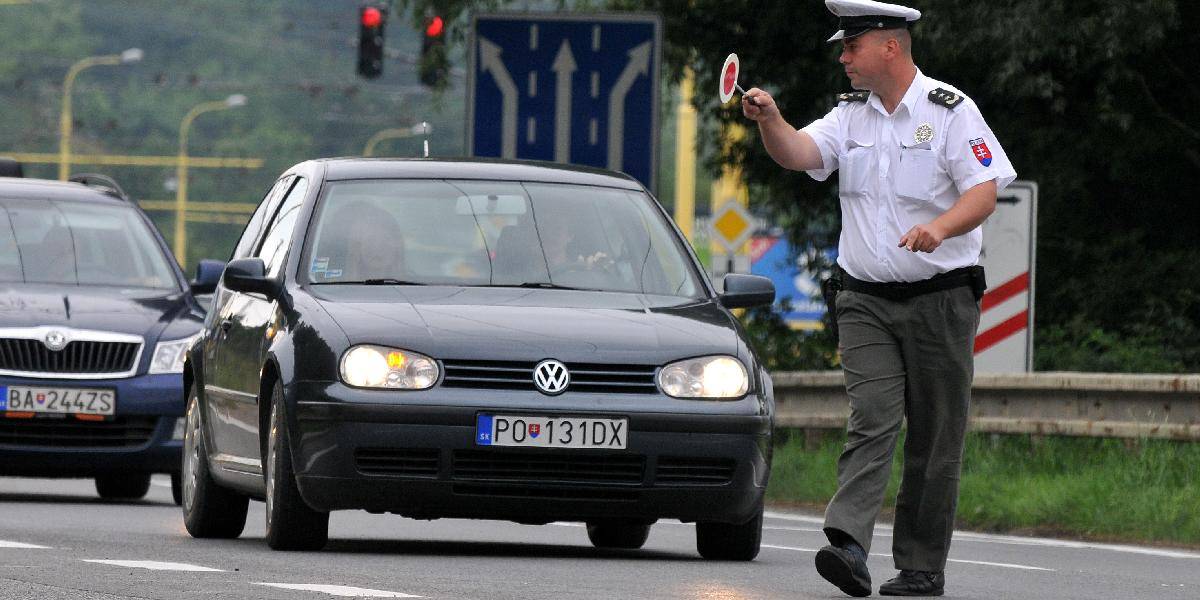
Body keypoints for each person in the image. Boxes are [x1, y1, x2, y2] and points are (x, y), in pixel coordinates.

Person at [741, 0, 1016, 596]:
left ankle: (921, 566)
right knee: (872, 418)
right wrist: (771, 120)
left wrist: (939, 228)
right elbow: (799, 154)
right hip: (864, 298)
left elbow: (984, 191)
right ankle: (848, 544)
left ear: (890, 46)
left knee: (935, 436)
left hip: (941, 297)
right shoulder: (850, 115)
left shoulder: (950, 111)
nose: (843, 57)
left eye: (852, 46)